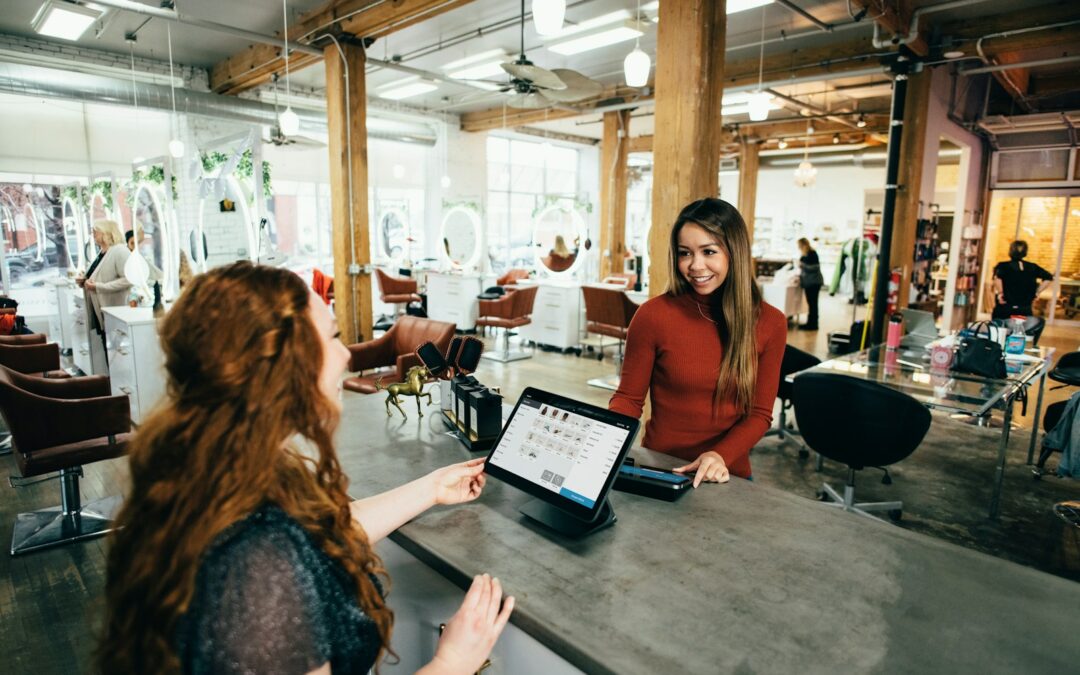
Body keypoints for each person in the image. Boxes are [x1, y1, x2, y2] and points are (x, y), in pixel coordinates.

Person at [98, 262, 513, 674]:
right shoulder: (257, 570)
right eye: (332, 337)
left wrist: (433, 487)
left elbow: (320, 532)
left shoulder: (216, 467)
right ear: (282, 367)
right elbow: (283, 546)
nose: (345, 353)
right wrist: (454, 661)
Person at [610, 198, 786, 486]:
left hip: (726, 475)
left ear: (734, 253)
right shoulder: (653, 316)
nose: (695, 265)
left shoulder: (770, 323)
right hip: (660, 469)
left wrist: (719, 455)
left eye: (709, 251)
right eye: (685, 253)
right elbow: (628, 400)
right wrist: (604, 440)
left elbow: (760, 414)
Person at [76, 219, 131, 337]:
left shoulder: (120, 251)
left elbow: (128, 279)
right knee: (105, 343)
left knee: (113, 347)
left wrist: (99, 286)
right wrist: (84, 280)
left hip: (113, 308)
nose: (93, 234)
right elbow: (96, 275)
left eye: (96, 231)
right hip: (99, 306)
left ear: (106, 232)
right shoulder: (102, 252)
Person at [992, 240, 1053, 319]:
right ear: (1025, 252)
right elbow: (1049, 277)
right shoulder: (1033, 267)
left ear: (1010, 251)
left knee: (1000, 328)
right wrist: (1037, 292)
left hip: (1006, 307)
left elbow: (997, 279)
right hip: (1025, 308)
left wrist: (1000, 293)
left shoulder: (1003, 266)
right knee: (1023, 328)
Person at [797, 237, 823, 330]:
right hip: (809, 283)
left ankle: (813, 324)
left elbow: (815, 268)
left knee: (813, 304)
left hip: (814, 283)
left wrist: (803, 265)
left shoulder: (812, 254)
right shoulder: (804, 255)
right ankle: (810, 323)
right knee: (811, 304)